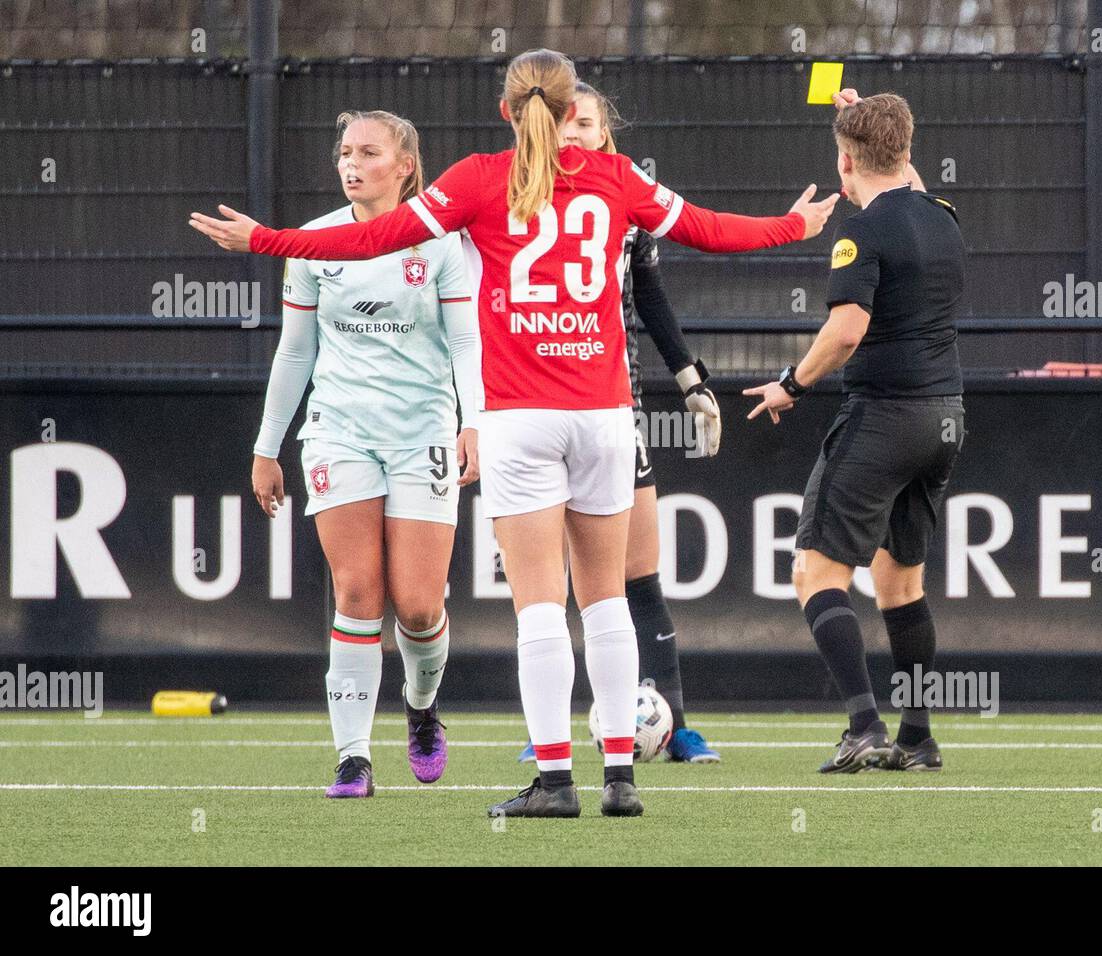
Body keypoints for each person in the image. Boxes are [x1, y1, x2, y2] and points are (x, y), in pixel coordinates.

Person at [191, 48, 838, 818]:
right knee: (607, 604)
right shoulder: (615, 177)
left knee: (539, 606)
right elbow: (710, 230)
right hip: (604, 416)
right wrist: (794, 225)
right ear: (574, 115)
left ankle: (555, 781)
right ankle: (622, 780)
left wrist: (265, 240)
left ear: (507, 110)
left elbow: (371, 240)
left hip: (521, 418)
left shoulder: (475, 178)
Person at [250, 110, 483, 798]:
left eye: (368, 152)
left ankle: (420, 709)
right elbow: (296, 351)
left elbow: (468, 343)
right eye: (344, 151)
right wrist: (268, 447)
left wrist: (475, 421)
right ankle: (353, 758)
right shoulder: (314, 242)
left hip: (424, 433)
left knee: (415, 606)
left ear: (405, 166)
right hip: (338, 431)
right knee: (357, 591)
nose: (351, 163)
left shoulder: (443, 241)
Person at [744, 89, 965, 773]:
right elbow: (903, 181)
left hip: (885, 415)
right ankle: (918, 736)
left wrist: (792, 383)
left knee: (814, 572)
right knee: (900, 584)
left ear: (845, 162)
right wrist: (865, 122)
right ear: (906, 149)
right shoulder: (943, 216)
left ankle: (864, 725)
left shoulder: (861, 231)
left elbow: (846, 330)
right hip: (945, 418)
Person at [515, 80, 721, 766]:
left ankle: (678, 723)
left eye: (587, 126)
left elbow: (653, 299)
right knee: (550, 588)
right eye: (563, 126)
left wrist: (691, 379)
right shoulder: (508, 193)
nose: (573, 137)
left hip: (613, 409)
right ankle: (548, 735)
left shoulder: (624, 199)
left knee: (635, 578)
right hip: (531, 413)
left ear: (607, 134)